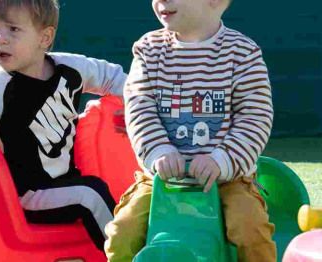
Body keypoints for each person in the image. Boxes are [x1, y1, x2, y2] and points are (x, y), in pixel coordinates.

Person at [104, 0, 277, 261]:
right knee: (121, 232)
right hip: (160, 181)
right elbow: (140, 108)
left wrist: (222, 160)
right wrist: (159, 150)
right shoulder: (149, 50)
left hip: (228, 181)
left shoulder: (242, 53)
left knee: (251, 229)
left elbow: (255, 117)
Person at [0, 0, 128, 250]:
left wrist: (137, 102)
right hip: (27, 196)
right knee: (91, 194)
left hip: (65, 183)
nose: (1, 39)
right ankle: (127, 256)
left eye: (13, 29)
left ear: (45, 38)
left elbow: (113, 78)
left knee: (118, 194)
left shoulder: (70, 68)